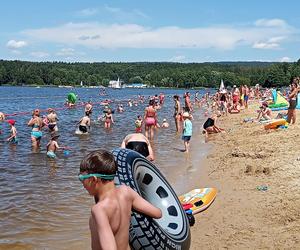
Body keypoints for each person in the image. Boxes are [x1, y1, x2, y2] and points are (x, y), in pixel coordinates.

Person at [79, 150, 162, 250]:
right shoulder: (126, 192)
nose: (82, 183)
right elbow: (157, 213)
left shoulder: (99, 209)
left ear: (93, 179)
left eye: (81, 178)